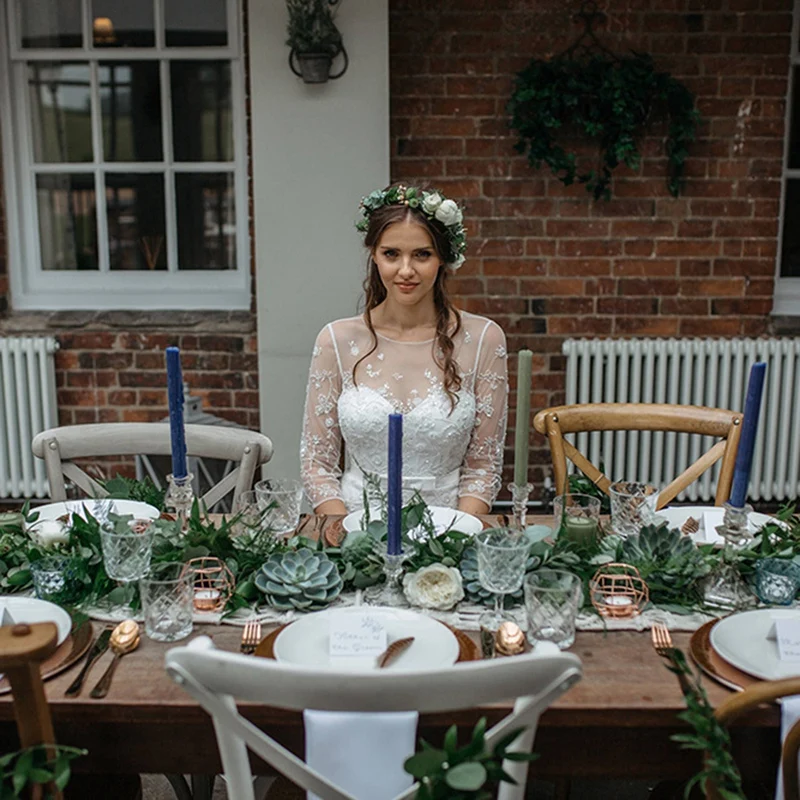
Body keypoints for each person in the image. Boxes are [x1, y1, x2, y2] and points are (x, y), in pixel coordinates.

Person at [300, 184, 508, 516]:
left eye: (422, 254)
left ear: (443, 258)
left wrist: (459, 537)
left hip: (451, 530)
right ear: (374, 255)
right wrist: (345, 537)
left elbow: (482, 466)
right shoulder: (335, 341)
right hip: (354, 529)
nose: (406, 270)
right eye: (392, 254)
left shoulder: (484, 339)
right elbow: (318, 465)